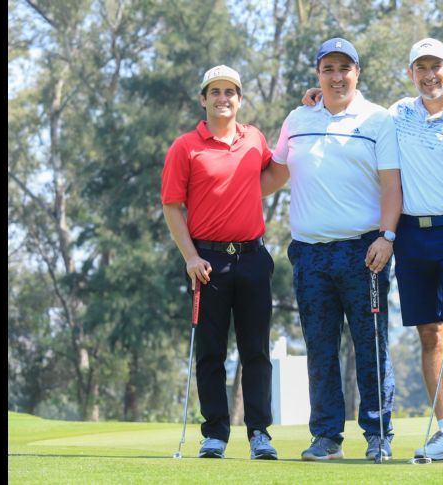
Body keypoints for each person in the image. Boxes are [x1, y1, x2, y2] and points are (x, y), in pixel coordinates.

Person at [302, 38, 443, 462]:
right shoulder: (396, 115)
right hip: (410, 236)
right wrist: (317, 97)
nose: (429, 76)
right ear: (411, 74)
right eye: (420, 68)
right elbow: (351, 104)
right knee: (430, 334)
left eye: (436, 67)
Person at [260, 37, 402, 461]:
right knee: (320, 348)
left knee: (370, 345)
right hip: (309, 254)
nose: (337, 76)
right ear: (318, 74)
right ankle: (326, 438)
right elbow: (271, 177)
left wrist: (387, 237)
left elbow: (393, 186)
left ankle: (378, 436)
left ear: (357, 73)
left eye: (345, 68)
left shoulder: (378, 121)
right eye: (329, 69)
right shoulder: (298, 118)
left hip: (365, 251)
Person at [162, 65, 278, 460]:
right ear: (203, 98)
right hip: (206, 261)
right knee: (210, 352)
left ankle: (260, 432)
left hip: (252, 257)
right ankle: (214, 434)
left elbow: (271, 176)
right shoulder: (185, 147)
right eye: (215, 92)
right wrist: (190, 256)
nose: (223, 98)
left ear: (240, 98)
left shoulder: (255, 139)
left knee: (256, 351)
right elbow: (172, 206)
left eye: (230, 91)